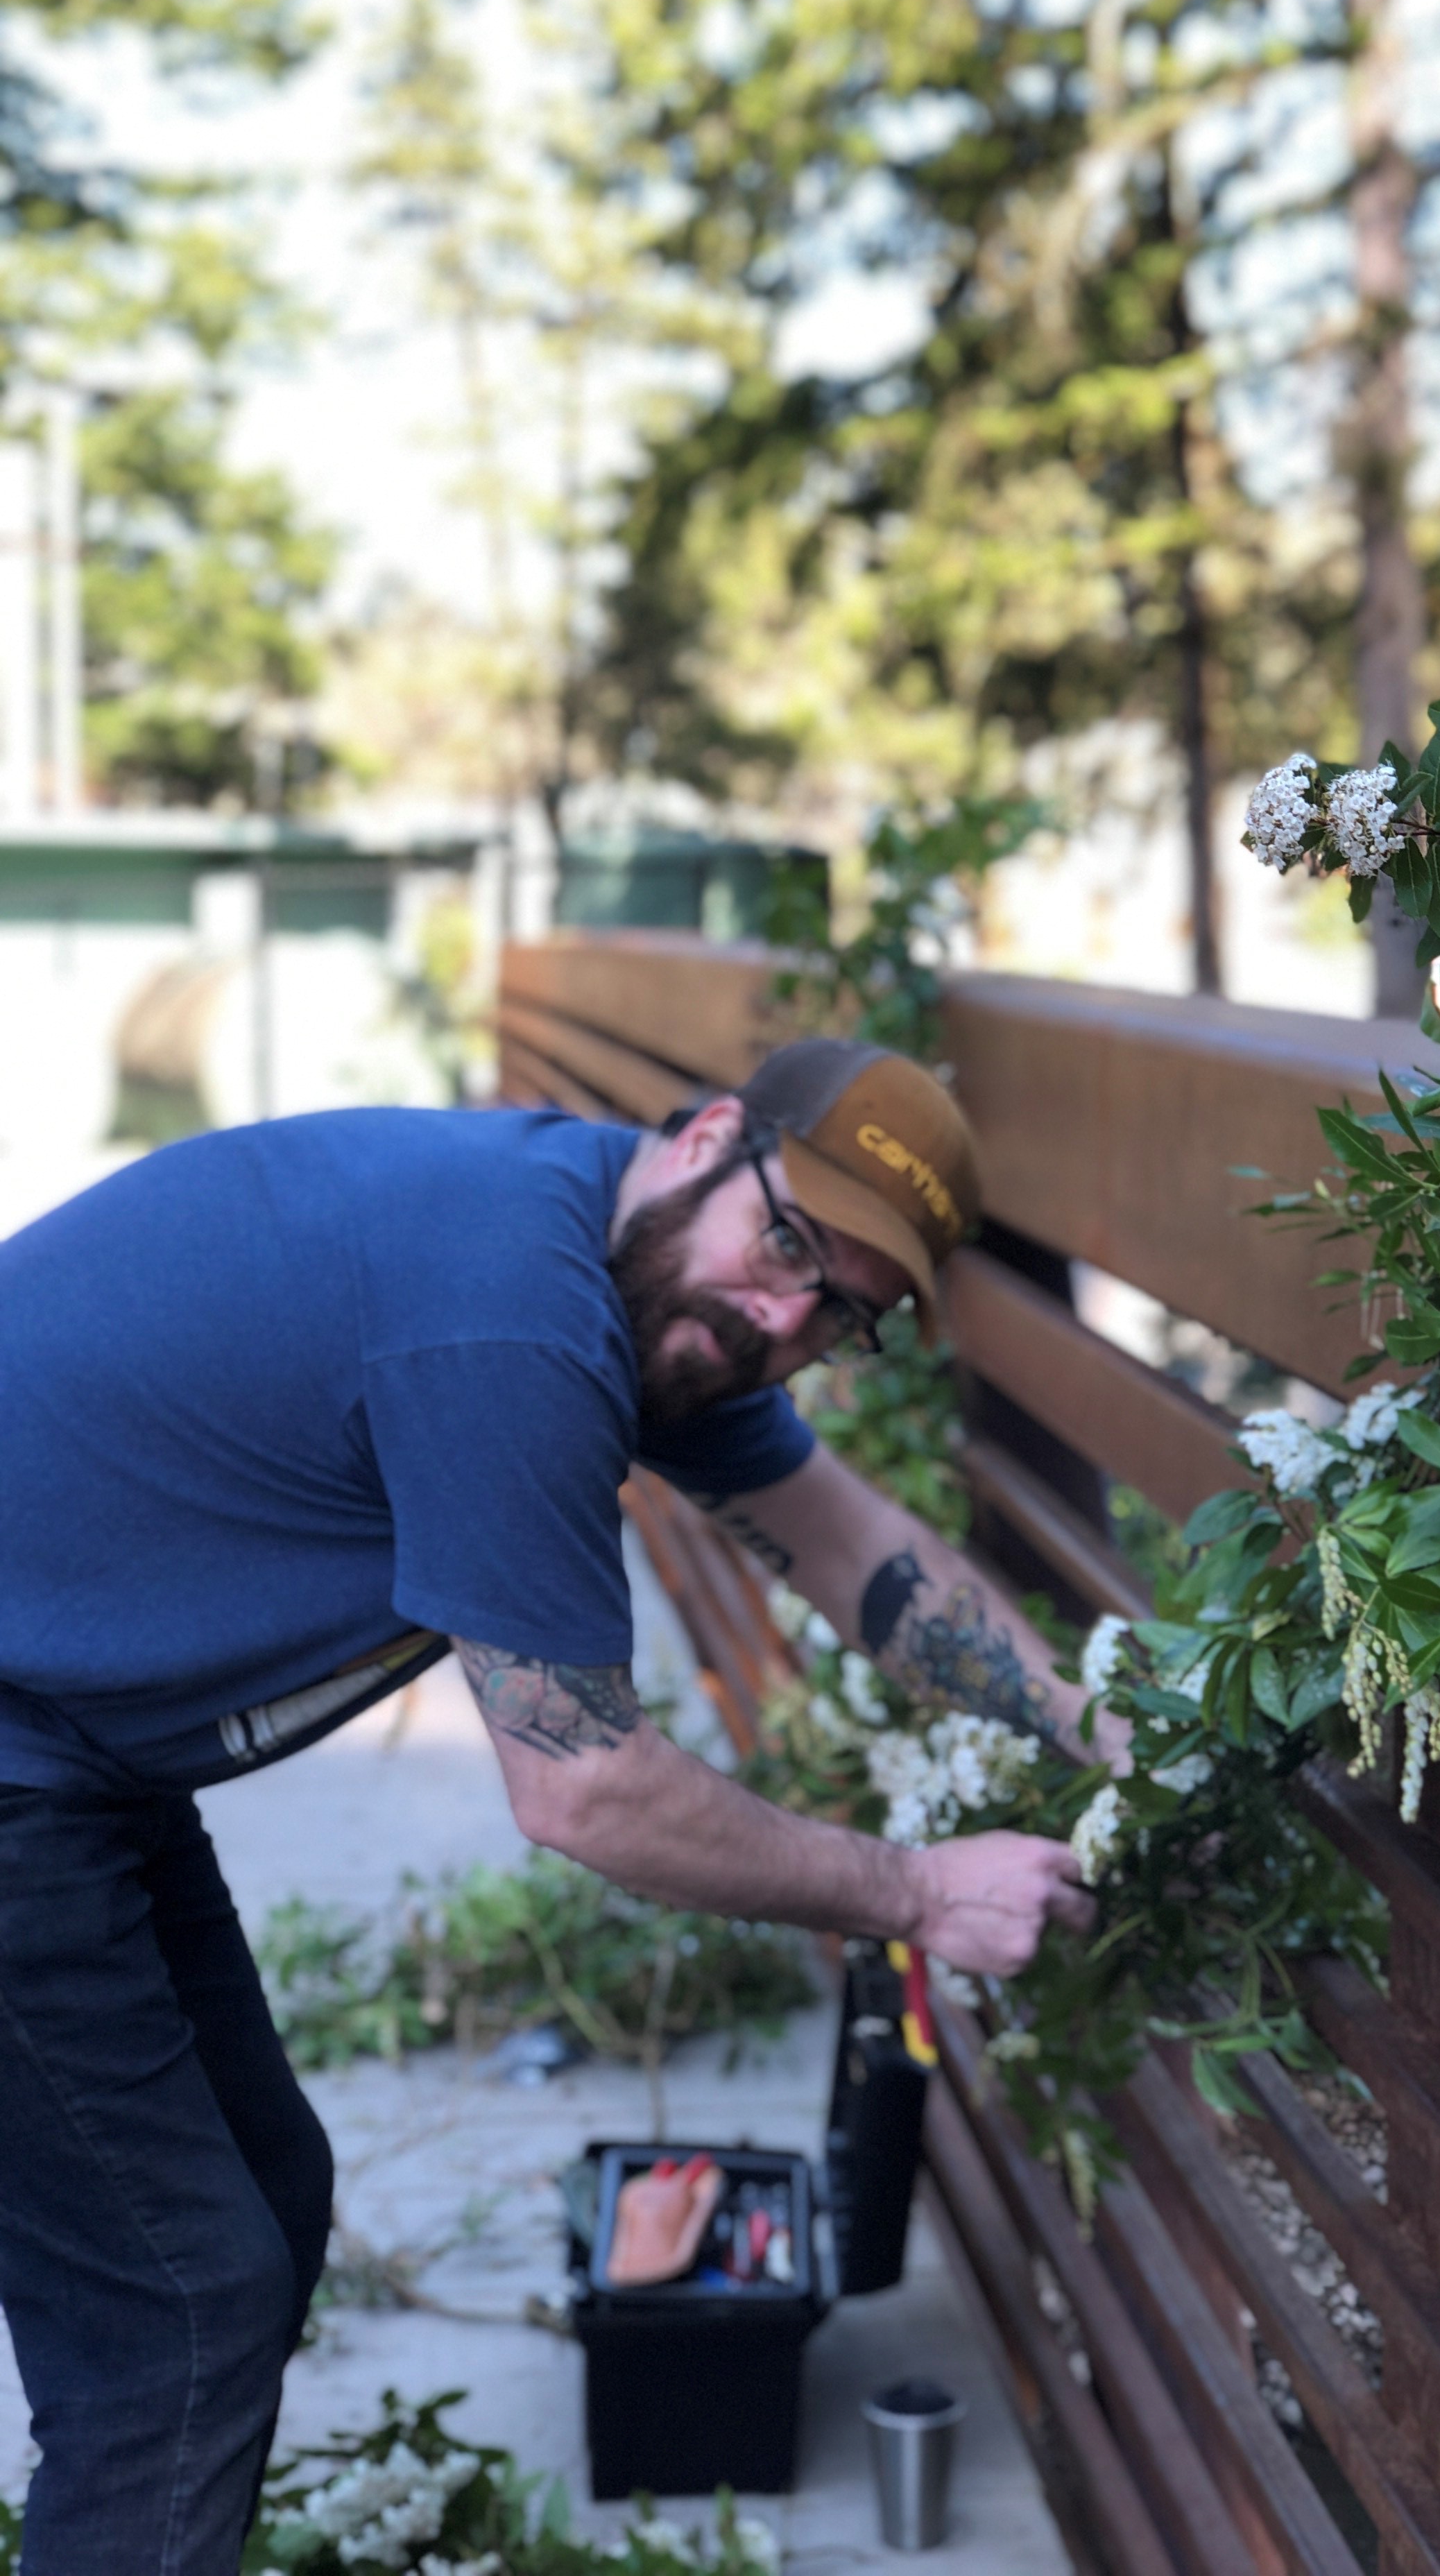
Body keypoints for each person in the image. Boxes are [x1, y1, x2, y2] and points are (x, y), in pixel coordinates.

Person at [0, 1036, 1095, 2576]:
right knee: (178, 2311)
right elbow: (588, 1790)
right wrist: (919, 1891)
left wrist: (1105, 1726)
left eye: (840, 1310)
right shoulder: (515, 1323)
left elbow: (851, 1548)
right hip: (23, 1751)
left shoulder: (638, 1270)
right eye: (788, 1242)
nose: (787, 1315)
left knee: (255, 2205)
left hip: (72, 1744)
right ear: (713, 1134)